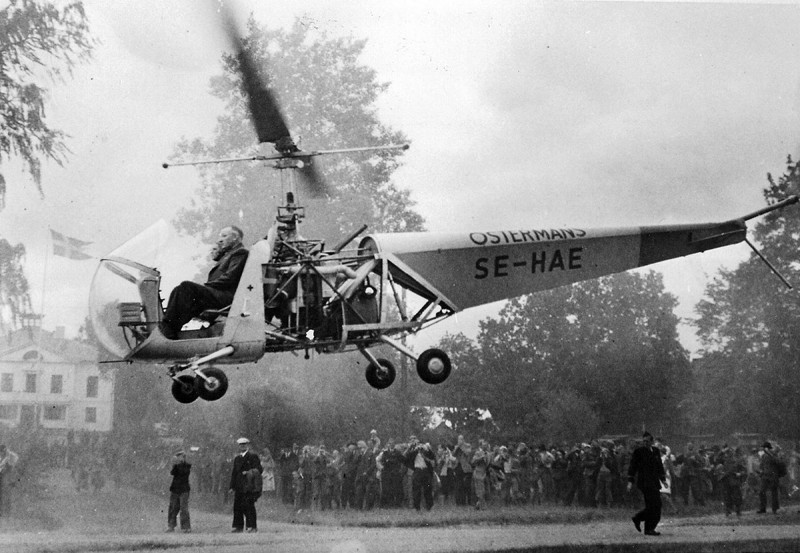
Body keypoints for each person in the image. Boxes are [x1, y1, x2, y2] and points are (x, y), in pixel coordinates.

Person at [161, 226, 248, 339]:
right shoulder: (227, 255)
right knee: (179, 289)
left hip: (226, 296)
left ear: (236, 238)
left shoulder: (240, 253)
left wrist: (204, 287)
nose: (219, 240)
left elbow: (230, 278)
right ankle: (172, 328)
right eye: (220, 236)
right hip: (219, 295)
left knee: (186, 287)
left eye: (224, 236)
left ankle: (168, 327)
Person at [627, 431, 666, 536]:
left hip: (654, 482)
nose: (645, 443)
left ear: (652, 441)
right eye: (643, 441)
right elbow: (632, 467)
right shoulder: (638, 452)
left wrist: (663, 480)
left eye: (647, 441)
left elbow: (659, 467)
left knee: (656, 506)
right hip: (644, 483)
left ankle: (639, 519)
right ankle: (648, 528)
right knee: (653, 505)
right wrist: (630, 481)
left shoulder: (656, 451)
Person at [229, 437, 263, 533]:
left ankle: (252, 526)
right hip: (239, 486)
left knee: (249, 506)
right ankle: (238, 526)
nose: (242, 446)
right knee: (237, 506)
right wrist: (232, 486)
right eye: (241, 445)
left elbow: (259, 469)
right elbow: (234, 473)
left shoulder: (253, 456)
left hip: (249, 485)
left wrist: (249, 473)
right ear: (239, 446)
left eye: (244, 444)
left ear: (247, 445)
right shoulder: (237, 458)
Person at [404, 435, 436, 511]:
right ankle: (417, 507)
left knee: (427, 489)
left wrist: (427, 449)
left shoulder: (425, 448)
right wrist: (415, 449)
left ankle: (429, 506)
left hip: (425, 470)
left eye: (417, 441)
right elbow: (407, 457)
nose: (417, 443)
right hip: (417, 470)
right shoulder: (412, 449)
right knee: (416, 490)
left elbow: (432, 456)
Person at [166, 450, 192, 533]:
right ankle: (171, 525)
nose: (179, 458)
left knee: (183, 508)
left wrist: (179, 464)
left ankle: (186, 527)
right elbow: (172, 473)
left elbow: (184, 472)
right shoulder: (176, 466)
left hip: (184, 489)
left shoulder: (187, 466)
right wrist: (175, 464)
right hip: (175, 489)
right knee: (173, 508)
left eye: (180, 456)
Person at [757, 441, 785, 514]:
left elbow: (778, 462)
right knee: (761, 492)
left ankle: (775, 509)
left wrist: (770, 454)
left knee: (774, 493)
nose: (762, 449)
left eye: (763, 448)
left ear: (766, 448)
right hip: (765, 476)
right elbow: (762, 465)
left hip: (773, 476)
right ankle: (763, 508)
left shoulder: (773, 455)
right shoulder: (763, 456)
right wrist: (760, 472)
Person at [0, 444, 19, 515]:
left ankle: (8, 511)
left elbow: (14, 466)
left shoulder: (11, 456)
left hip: (8, 477)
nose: (1, 453)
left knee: (8, 494)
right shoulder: (2, 456)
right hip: (3, 476)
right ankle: (4, 510)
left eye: (2, 452)